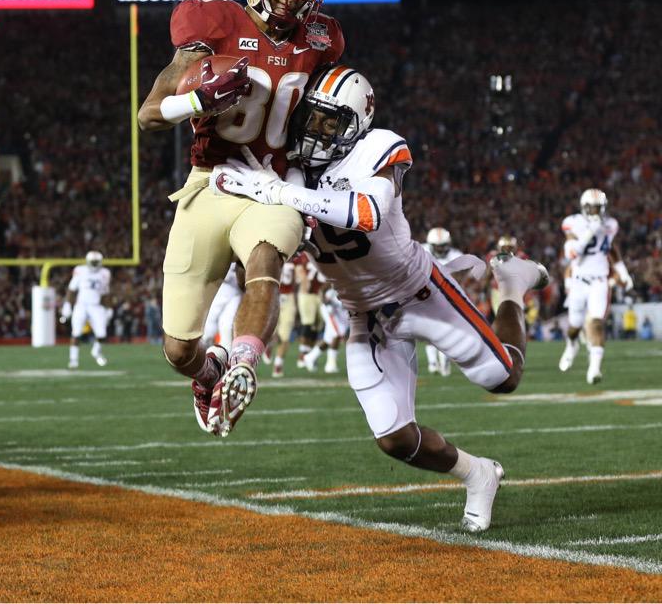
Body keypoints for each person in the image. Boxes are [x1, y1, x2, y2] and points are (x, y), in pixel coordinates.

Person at [209, 65, 548, 532]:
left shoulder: (378, 147)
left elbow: (364, 214)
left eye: (331, 123)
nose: (316, 132)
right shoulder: (291, 168)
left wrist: (274, 189)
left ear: (356, 125)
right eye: (312, 119)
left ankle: (510, 285)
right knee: (394, 438)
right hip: (364, 315)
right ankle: (478, 472)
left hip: (419, 291)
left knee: (503, 377)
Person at [137, 0, 344, 437]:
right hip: (210, 182)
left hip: (271, 186)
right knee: (179, 348)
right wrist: (198, 100)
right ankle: (208, 372)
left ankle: (243, 365)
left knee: (267, 258)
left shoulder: (322, 38)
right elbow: (148, 115)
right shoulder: (212, 20)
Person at [558, 189, 633, 384]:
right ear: (583, 207)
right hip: (578, 282)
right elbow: (572, 254)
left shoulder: (610, 224)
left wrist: (623, 272)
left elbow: (611, 248)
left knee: (597, 322)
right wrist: (591, 230)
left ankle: (594, 368)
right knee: (574, 325)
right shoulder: (573, 222)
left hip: (600, 281)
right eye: (591, 207)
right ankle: (571, 345)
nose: (595, 212)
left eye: (599, 208)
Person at [421, 227, 463, 376]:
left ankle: (443, 361)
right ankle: (433, 362)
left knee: (446, 332)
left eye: (442, 245)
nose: (440, 248)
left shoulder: (455, 255)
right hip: (426, 296)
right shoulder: (421, 251)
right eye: (437, 245)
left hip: (447, 296)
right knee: (429, 331)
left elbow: (461, 277)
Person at [60, 251, 111, 369]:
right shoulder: (80, 271)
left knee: (102, 334)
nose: (94, 264)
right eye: (92, 262)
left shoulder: (105, 273)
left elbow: (106, 293)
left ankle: (96, 352)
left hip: (96, 306)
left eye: (96, 262)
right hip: (81, 305)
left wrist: (108, 308)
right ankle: (73, 360)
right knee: (76, 333)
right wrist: (67, 305)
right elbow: (71, 290)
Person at [261, 258, 297, 378]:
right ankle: (269, 345)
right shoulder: (272, 256)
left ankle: (278, 365)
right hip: (273, 296)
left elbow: (297, 280)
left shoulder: (297, 258)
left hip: (288, 297)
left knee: (285, 336)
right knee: (271, 332)